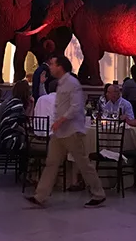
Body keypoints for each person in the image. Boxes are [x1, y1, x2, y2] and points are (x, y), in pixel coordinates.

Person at [25, 56, 106, 209]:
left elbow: (76, 107)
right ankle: (40, 196)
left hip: (71, 131)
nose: (50, 67)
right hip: (59, 132)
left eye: (52, 64)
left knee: (83, 163)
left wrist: (60, 120)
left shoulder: (72, 83)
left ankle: (98, 193)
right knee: (51, 163)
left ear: (60, 67)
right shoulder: (61, 83)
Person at [0, 81, 33, 155]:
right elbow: (12, 123)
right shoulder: (17, 104)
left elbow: (26, 119)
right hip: (10, 139)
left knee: (28, 140)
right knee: (30, 142)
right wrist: (23, 131)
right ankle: (27, 161)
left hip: (4, 135)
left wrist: (30, 106)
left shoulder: (13, 102)